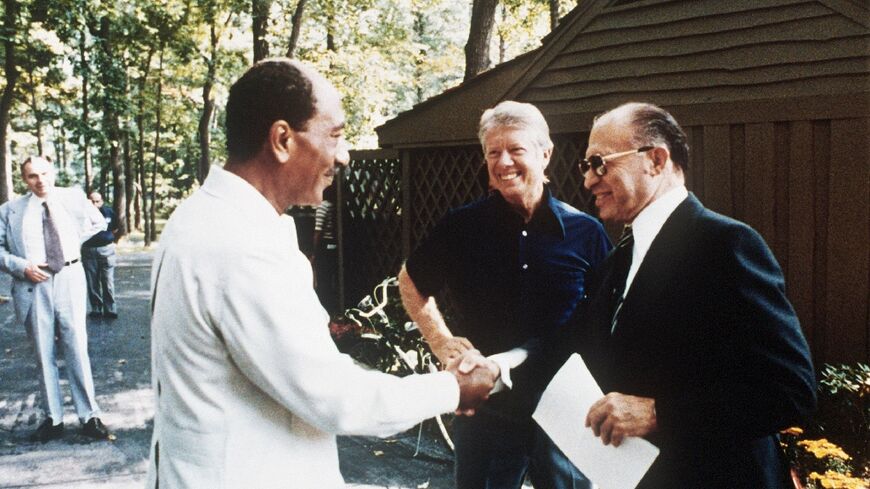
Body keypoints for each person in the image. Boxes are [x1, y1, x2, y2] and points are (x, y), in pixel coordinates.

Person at [146, 58, 497, 489]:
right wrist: (452, 389)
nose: (344, 155)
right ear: (282, 140)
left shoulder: (202, 218)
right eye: (335, 135)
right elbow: (333, 396)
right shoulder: (240, 245)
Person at [531, 102, 816, 488]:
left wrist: (659, 413)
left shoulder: (726, 244)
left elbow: (790, 391)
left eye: (600, 163)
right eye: (586, 167)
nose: (588, 181)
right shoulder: (618, 261)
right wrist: (494, 371)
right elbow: (572, 349)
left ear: (656, 160)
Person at [398, 101, 612, 489]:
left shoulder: (587, 233)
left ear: (545, 154)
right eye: (493, 152)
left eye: (516, 149)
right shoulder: (462, 226)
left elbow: (605, 319)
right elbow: (410, 281)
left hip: (563, 408)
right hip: (486, 408)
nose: (503, 162)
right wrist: (441, 340)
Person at [0, 156, 112, 442]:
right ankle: (54, 418)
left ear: (53, 172)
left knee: (77, 347)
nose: (40, 181)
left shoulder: (72, 198)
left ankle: (89, 416)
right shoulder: (11, 210)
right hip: (33, 283)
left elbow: (98, 222)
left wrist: (74, 243)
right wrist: (21, 266)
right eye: (32, 176)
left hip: (70, 276)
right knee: (43, 352)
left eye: (44, 173)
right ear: (24, 180)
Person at [82, 192, 118, 319]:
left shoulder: (108, 212)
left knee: (107, 280)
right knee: (92, 281)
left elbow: (115, 228)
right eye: (92, 201)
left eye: (97, 201)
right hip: (88, 250)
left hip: (106, 250)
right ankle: (96, 308)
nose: (94, 204)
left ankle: (110, 309)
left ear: (102, 201)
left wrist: (106, 239)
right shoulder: (82, 214)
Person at [312, 183, 338, 314]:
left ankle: (324, 306)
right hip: (334, 245)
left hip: (325, 245)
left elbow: (318, 230)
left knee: (323, 278)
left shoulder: (323, 206)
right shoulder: (335, 206)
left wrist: (314, 250)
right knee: (333, 276)